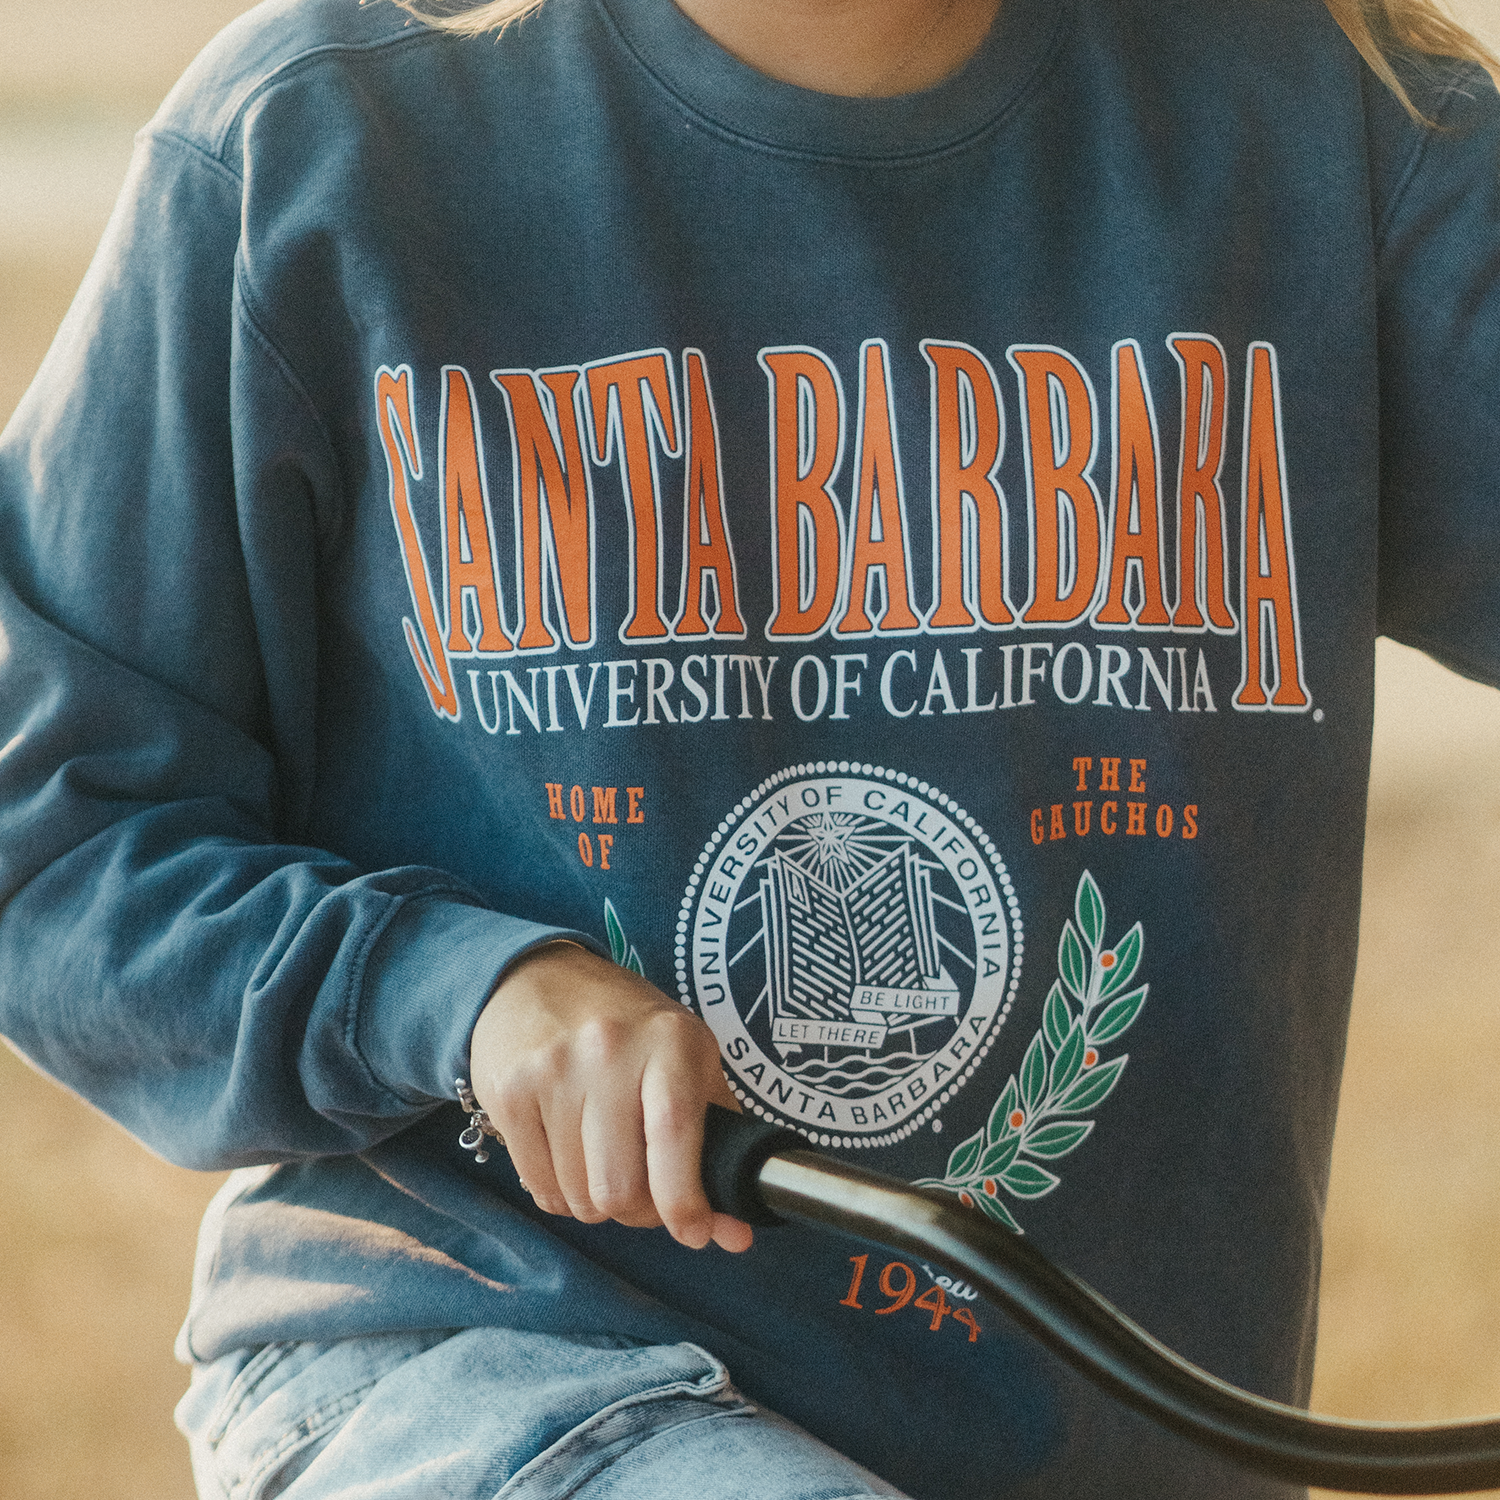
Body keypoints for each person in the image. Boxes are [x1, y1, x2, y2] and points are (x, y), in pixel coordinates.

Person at [1, 0, 1497, 1494]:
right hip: (483, 1357)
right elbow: (49, 833)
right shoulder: (312, 141)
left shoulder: (1344, 126)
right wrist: (459, 992)